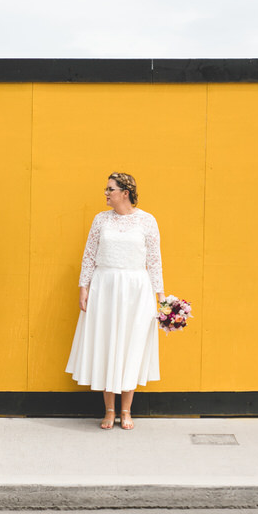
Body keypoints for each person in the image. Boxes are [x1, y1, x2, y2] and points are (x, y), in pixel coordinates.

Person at [66, 172, 164, 430]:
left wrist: (161, 298)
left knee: (131, 346)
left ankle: (126, 410)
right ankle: (109, 410)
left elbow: (154, 261)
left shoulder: (147, 221)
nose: (106, 193)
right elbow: (89, 255)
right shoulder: (101, 220)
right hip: (104, 287)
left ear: (125, 192)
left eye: (110, 189)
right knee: (106, 345)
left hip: (136, 290)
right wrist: (83, 286)